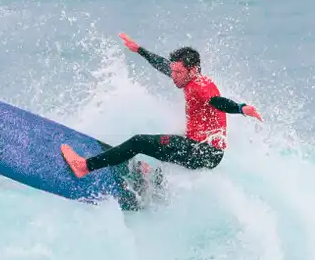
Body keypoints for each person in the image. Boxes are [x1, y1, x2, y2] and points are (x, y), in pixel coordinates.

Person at [61, 33, 262, 178]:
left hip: (203, 152)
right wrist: (139, 50)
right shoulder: (188, 78)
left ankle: (84, 166)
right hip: (202, 149)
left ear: (193, 70)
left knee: (139, 141)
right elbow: (163, 65)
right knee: (167, 142)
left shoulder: (202, 87)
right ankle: (154, 183)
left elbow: (218, 102)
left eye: (178, 72)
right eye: (173, 71)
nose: (173, 76)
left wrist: (240, 108)